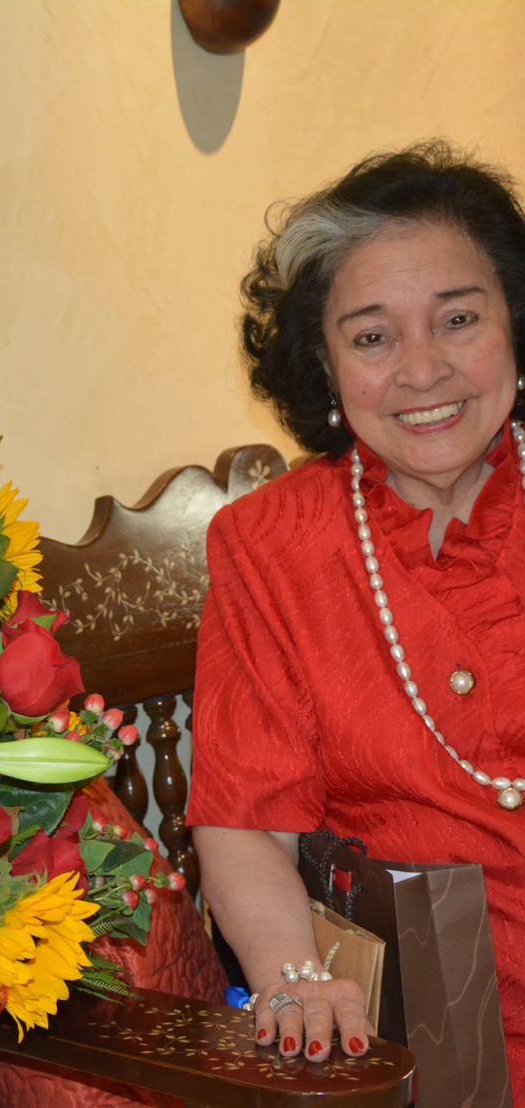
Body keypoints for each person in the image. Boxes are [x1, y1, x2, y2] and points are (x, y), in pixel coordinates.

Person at [187, 141, 525, 1094]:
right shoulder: (272, 547)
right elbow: (246, 823)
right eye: (372, 338)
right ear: (325, 368)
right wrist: (294, 980)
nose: (424, 371)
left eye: (459, 319)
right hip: (447, 1047)